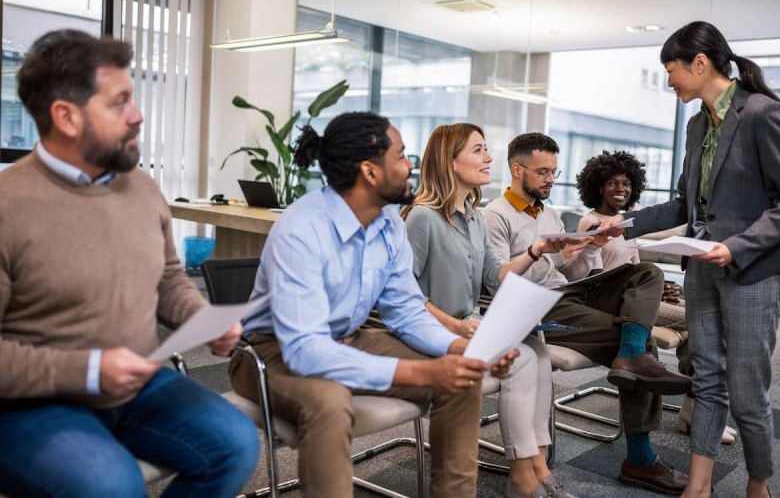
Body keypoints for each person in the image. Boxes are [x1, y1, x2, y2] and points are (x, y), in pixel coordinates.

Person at [0, 29, 260, 498]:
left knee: (237, 444)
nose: (138, 115)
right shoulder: (8, 206)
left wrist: (202, 320)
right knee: (111, 486)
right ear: (66, 117)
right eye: (120, 103)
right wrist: (89, 369)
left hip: (136, 386)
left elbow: (166, 278)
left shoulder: (140, 187)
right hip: (30, 404)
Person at [228, 111, 518, 498]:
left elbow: (407, 311)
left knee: (462, 376)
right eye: (400, 156)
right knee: (329, 403)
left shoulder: (389, 225)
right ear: (370, 171)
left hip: (349, 336)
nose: (410, 165)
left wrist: (465, 350)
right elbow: (305, 350)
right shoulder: (301, 229)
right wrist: (425, 374)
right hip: (271, 351)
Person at [609, 21, 780, 498]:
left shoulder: (762, 113)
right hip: (702, 269)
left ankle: (759, 484)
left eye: (672, 69)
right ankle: (699, 485)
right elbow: (682, 205)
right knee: (706, 377)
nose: (669, 80)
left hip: (751, 271)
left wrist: (736, 246)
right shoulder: (697, 125)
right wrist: (622, 223)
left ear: (700, 63)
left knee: (747, 387)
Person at [482, 132, 692, 496]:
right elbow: (496, 282)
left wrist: (592, 249)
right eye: (543, 172)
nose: (551, 179)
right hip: (531, 305)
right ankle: (640, 458)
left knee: (648, 273)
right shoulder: (494, 216)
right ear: (517, 170)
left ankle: (630, 356)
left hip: (565, 293)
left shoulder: (547, 212)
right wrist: (536, 252)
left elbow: (569, 276)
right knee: (639, 343)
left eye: (554, 171)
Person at [400, 123, 577, 498]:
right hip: (435, 330)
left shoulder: (473, 215)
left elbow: (495, 275)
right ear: (450, 161)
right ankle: (523, 473)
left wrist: (535, 251)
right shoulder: (421, 217)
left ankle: (531, 467)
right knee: (524, 358)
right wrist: (453, 324)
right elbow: (402, 296)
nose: (489, 157)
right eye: (479, 150)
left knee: (535, 350)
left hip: (470, 325)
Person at [575, 150, 739, 446]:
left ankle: (693, 408)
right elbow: (591, 278)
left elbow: (635, 268)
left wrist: (658, 290)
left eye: (626, 183)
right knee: (700, 321)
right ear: (598, 186)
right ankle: (695, 410)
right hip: (613, 302)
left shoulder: (624, 223)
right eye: (613, 183)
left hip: (635, 295)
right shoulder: (593, 222)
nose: (621, 189)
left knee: (697, 321)